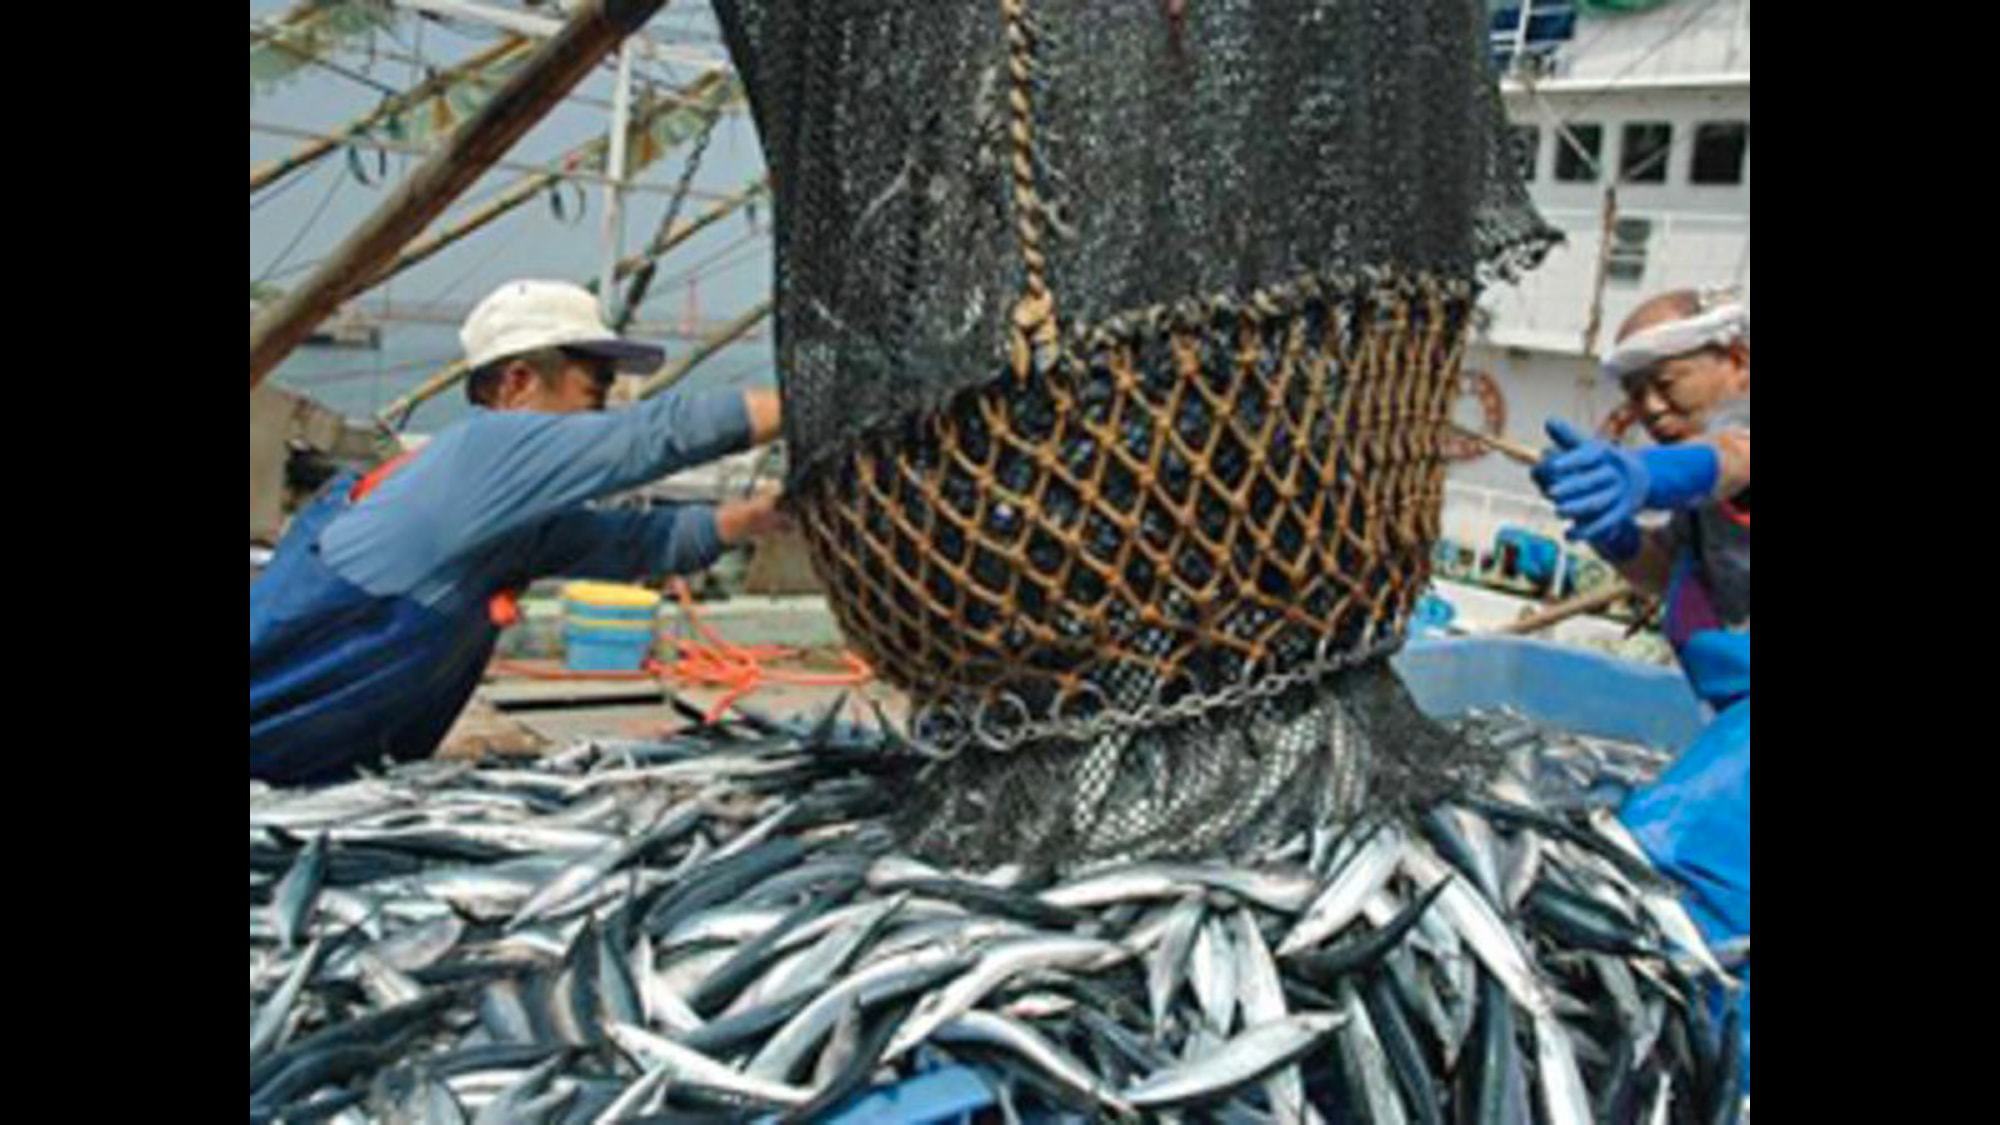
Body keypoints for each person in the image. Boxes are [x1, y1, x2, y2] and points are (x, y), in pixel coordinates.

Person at [251, 280, 789, 785]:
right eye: (595, 388)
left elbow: (639, 542)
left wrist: (764, 514)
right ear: (518, 383)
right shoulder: (485, 452)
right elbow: (659, 435)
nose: (605, 409)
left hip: (318, 776)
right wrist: (814, 408)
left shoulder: (494, 516)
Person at [1530, 286, 1751, 1090]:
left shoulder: (1733, 443)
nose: (1653, 406)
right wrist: (1619, 535)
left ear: (1737, 362)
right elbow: (1672, 579)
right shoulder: (1701, 504)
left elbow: (1730, 462)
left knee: (1654, 861)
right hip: (1733, 724)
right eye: (1636, 395)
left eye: (1670, 381)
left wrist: (1647, 474)